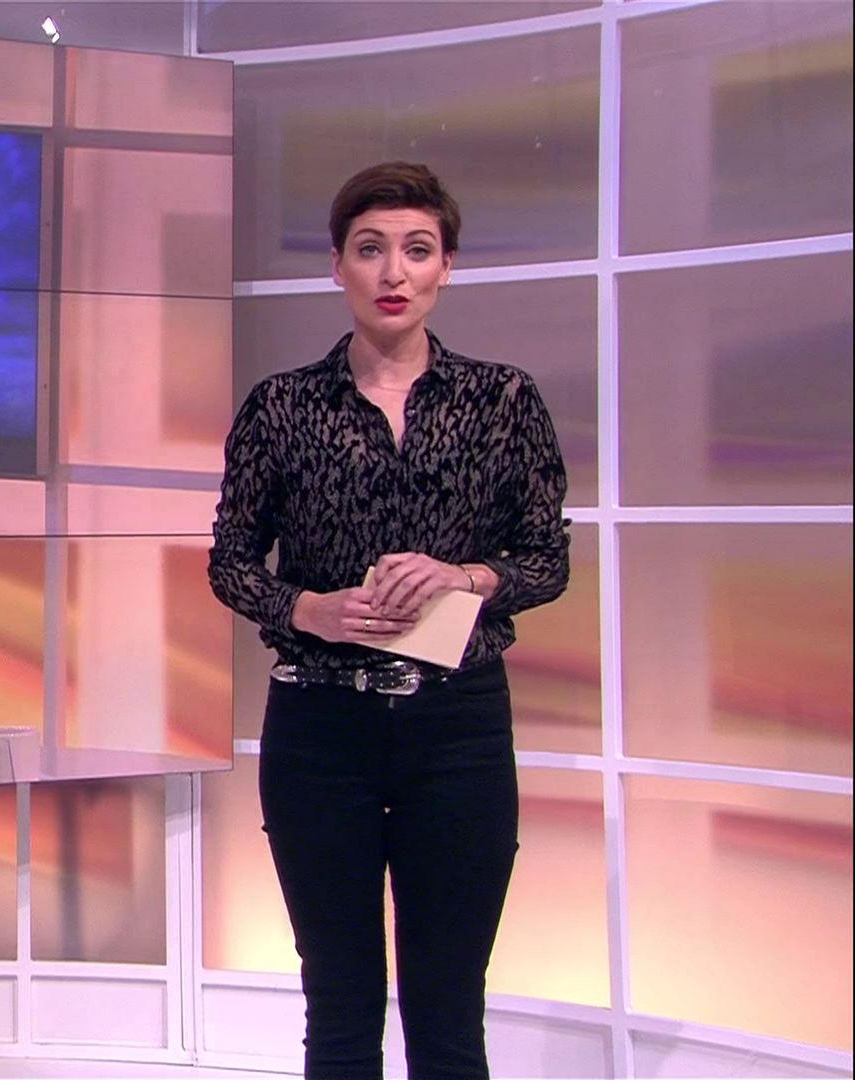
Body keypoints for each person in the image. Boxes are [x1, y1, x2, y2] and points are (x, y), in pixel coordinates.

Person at [207, 162, 569, 1080]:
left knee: (448, 1014)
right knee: (339, 1008)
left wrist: (466, 575)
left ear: (446, 266)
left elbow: (547, 560)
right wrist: (310, 609)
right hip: (320, 732)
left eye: (417, 249)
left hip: (458, 728)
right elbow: (230, 562)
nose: (394, 272)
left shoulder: (503, 400)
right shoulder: (282, 407)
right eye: (370, 250)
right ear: (338, 266)